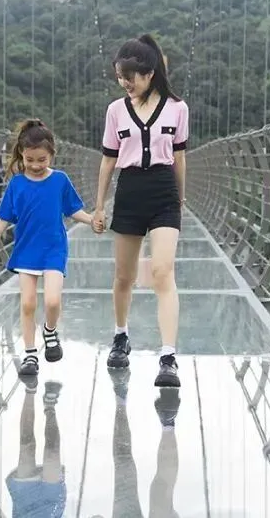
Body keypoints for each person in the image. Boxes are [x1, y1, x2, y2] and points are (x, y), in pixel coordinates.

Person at [91, 34, 187, 388]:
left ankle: (168, 357)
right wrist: (99, 206)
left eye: (130, 76)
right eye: (120, 76)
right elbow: (107, 161)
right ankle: (121, 336)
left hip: (163, 191)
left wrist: (180, 200)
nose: (125, 83)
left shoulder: (178, 108)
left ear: (150, 73)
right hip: (129, 191)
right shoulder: (115, 111)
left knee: (162, 271)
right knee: (124, 276)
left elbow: (179, 158)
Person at [0, 118, 98, 378]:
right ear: (21, 154)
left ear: (52, 154)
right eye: (29, 159)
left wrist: (91, 220)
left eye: (41, 160)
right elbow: (4, 219)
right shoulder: (17, 184)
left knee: (53, 300)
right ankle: (30, 354)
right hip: (27, 249)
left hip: (54, 248)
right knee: (28, 303)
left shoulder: (60, 180)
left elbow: (73, 209)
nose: (35, 165)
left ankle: (50, 331)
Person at [0, 381, 65, 518]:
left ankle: (30, 389)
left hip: (25, 500)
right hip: (51, 505)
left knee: (27, 446)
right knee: (52, 451)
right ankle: (50, 406)